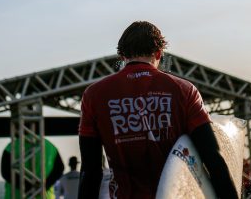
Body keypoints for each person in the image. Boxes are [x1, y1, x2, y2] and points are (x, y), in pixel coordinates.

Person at [78, 21, 238, 199]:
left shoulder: (94, 94)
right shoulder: (184, 90)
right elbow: (213, 159)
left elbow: (90, 170)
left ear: (122, 56)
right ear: (159, 53)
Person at [1, 137, 65, 199]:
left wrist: (28, 187)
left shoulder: (12, 146)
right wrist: (44, 186)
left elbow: (5, 172)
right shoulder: (49, 146)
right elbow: (60, 168)